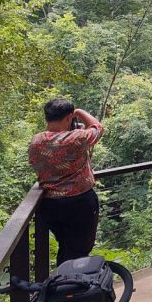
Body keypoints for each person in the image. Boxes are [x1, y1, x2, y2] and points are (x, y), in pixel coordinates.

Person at [28, 98, 104, 267]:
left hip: (50, 205)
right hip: (79, 203)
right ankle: (72, 280)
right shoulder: (76, 138)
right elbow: (98, 128)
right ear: (69, 117)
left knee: (66, 246)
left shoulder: (36, 141)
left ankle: (63, 277)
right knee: (79, 250)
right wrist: (79, 112)